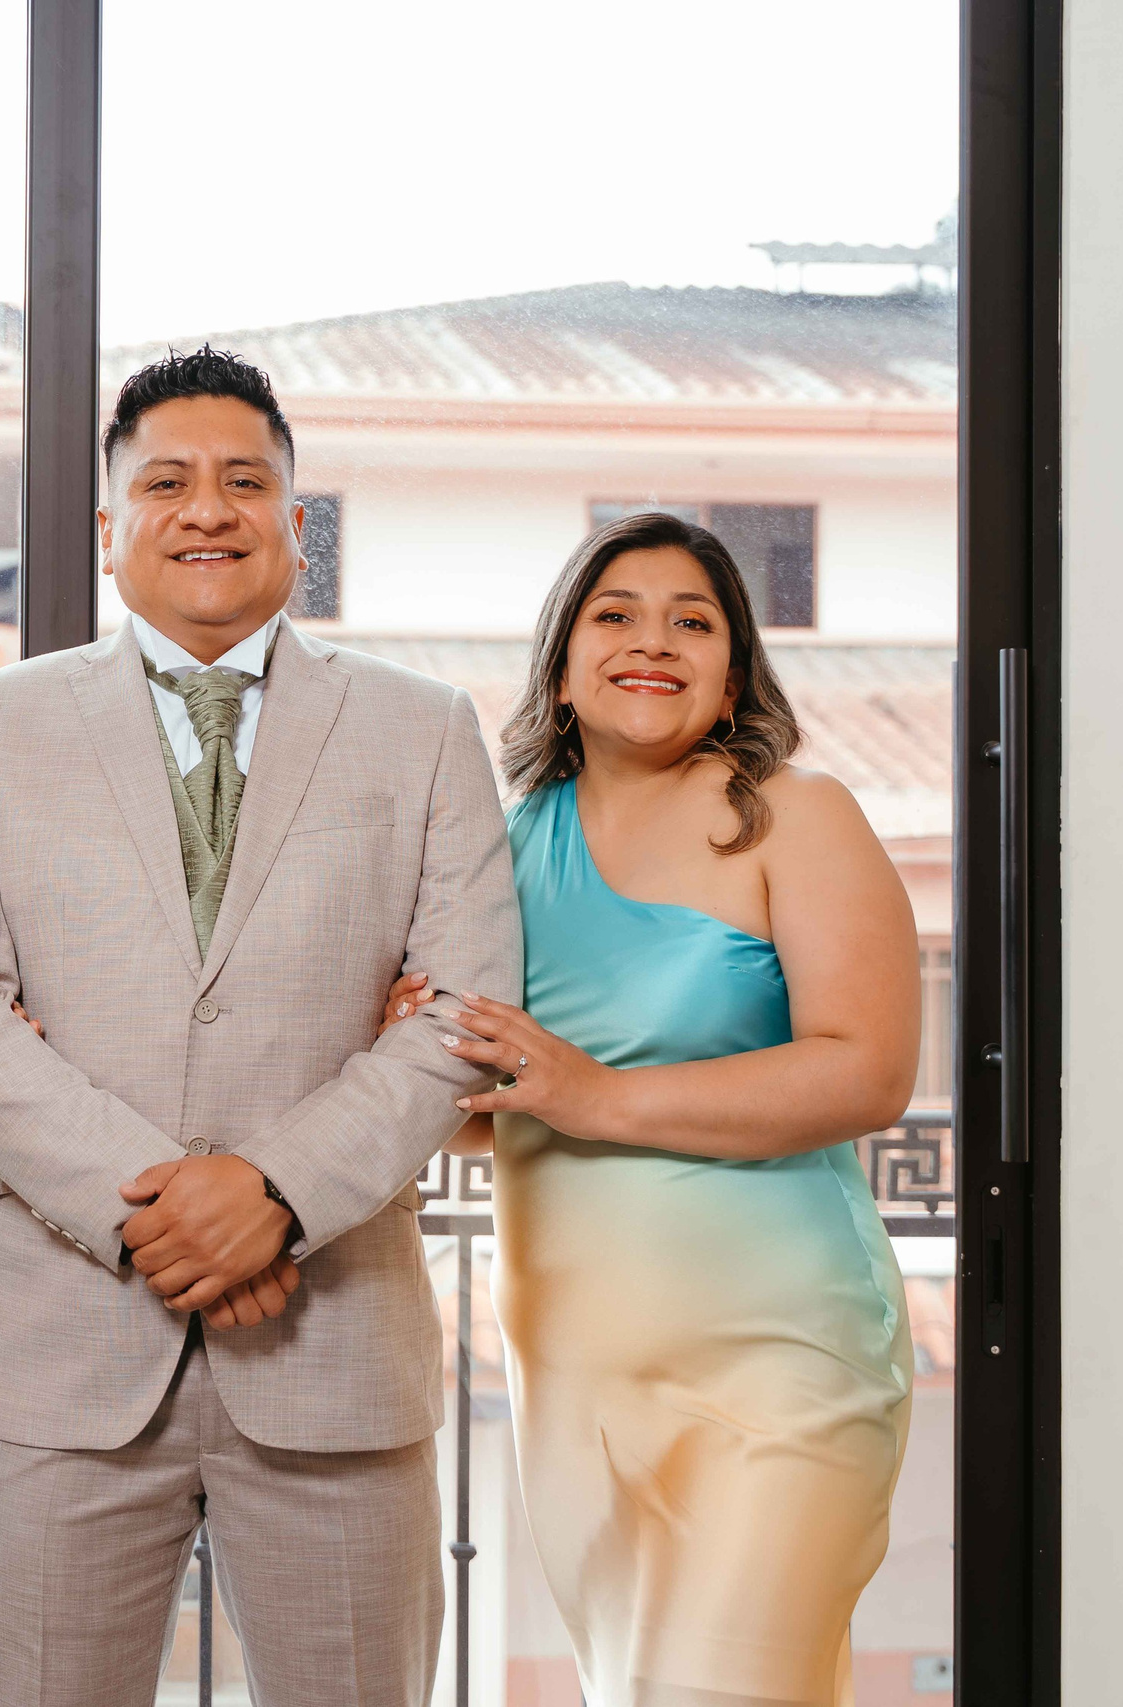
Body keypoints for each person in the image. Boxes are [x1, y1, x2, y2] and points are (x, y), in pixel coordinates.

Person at [0, 347, 519, 1707]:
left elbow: (465, 1015)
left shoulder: (424, 730)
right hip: (65, 1356)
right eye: (166, 481)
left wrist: (276, 1195)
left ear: (298, 525)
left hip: (336, 1343)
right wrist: (161, 1213)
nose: (208, 508)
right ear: (112, 527)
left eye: (247, 480)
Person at [389, 510, 919, 1707]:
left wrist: (597, 1093)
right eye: (614, 615)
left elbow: (867, 1070)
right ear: (563, 663)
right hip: (577, 1378)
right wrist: (415, 1051)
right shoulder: (501, 850)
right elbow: (498, 1110)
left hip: (780, 1360)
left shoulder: (796, 813)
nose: (654, 642)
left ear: (734, 670)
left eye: (695, 621)